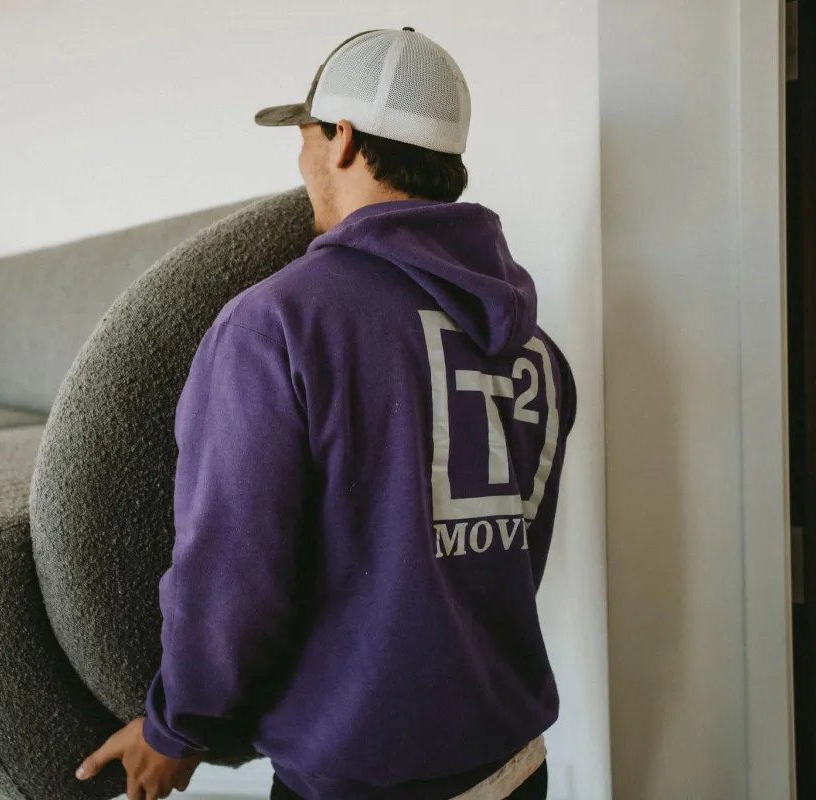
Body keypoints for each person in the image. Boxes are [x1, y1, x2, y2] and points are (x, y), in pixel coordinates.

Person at [77, 27, 577, 800]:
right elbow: (506, 560)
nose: (303, 161)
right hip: (517, 766)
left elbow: (232, 567)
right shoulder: (537, 350)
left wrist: (178, 728)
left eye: (306, 136)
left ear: (341, 140)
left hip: (364, 779)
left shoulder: (278, 325)